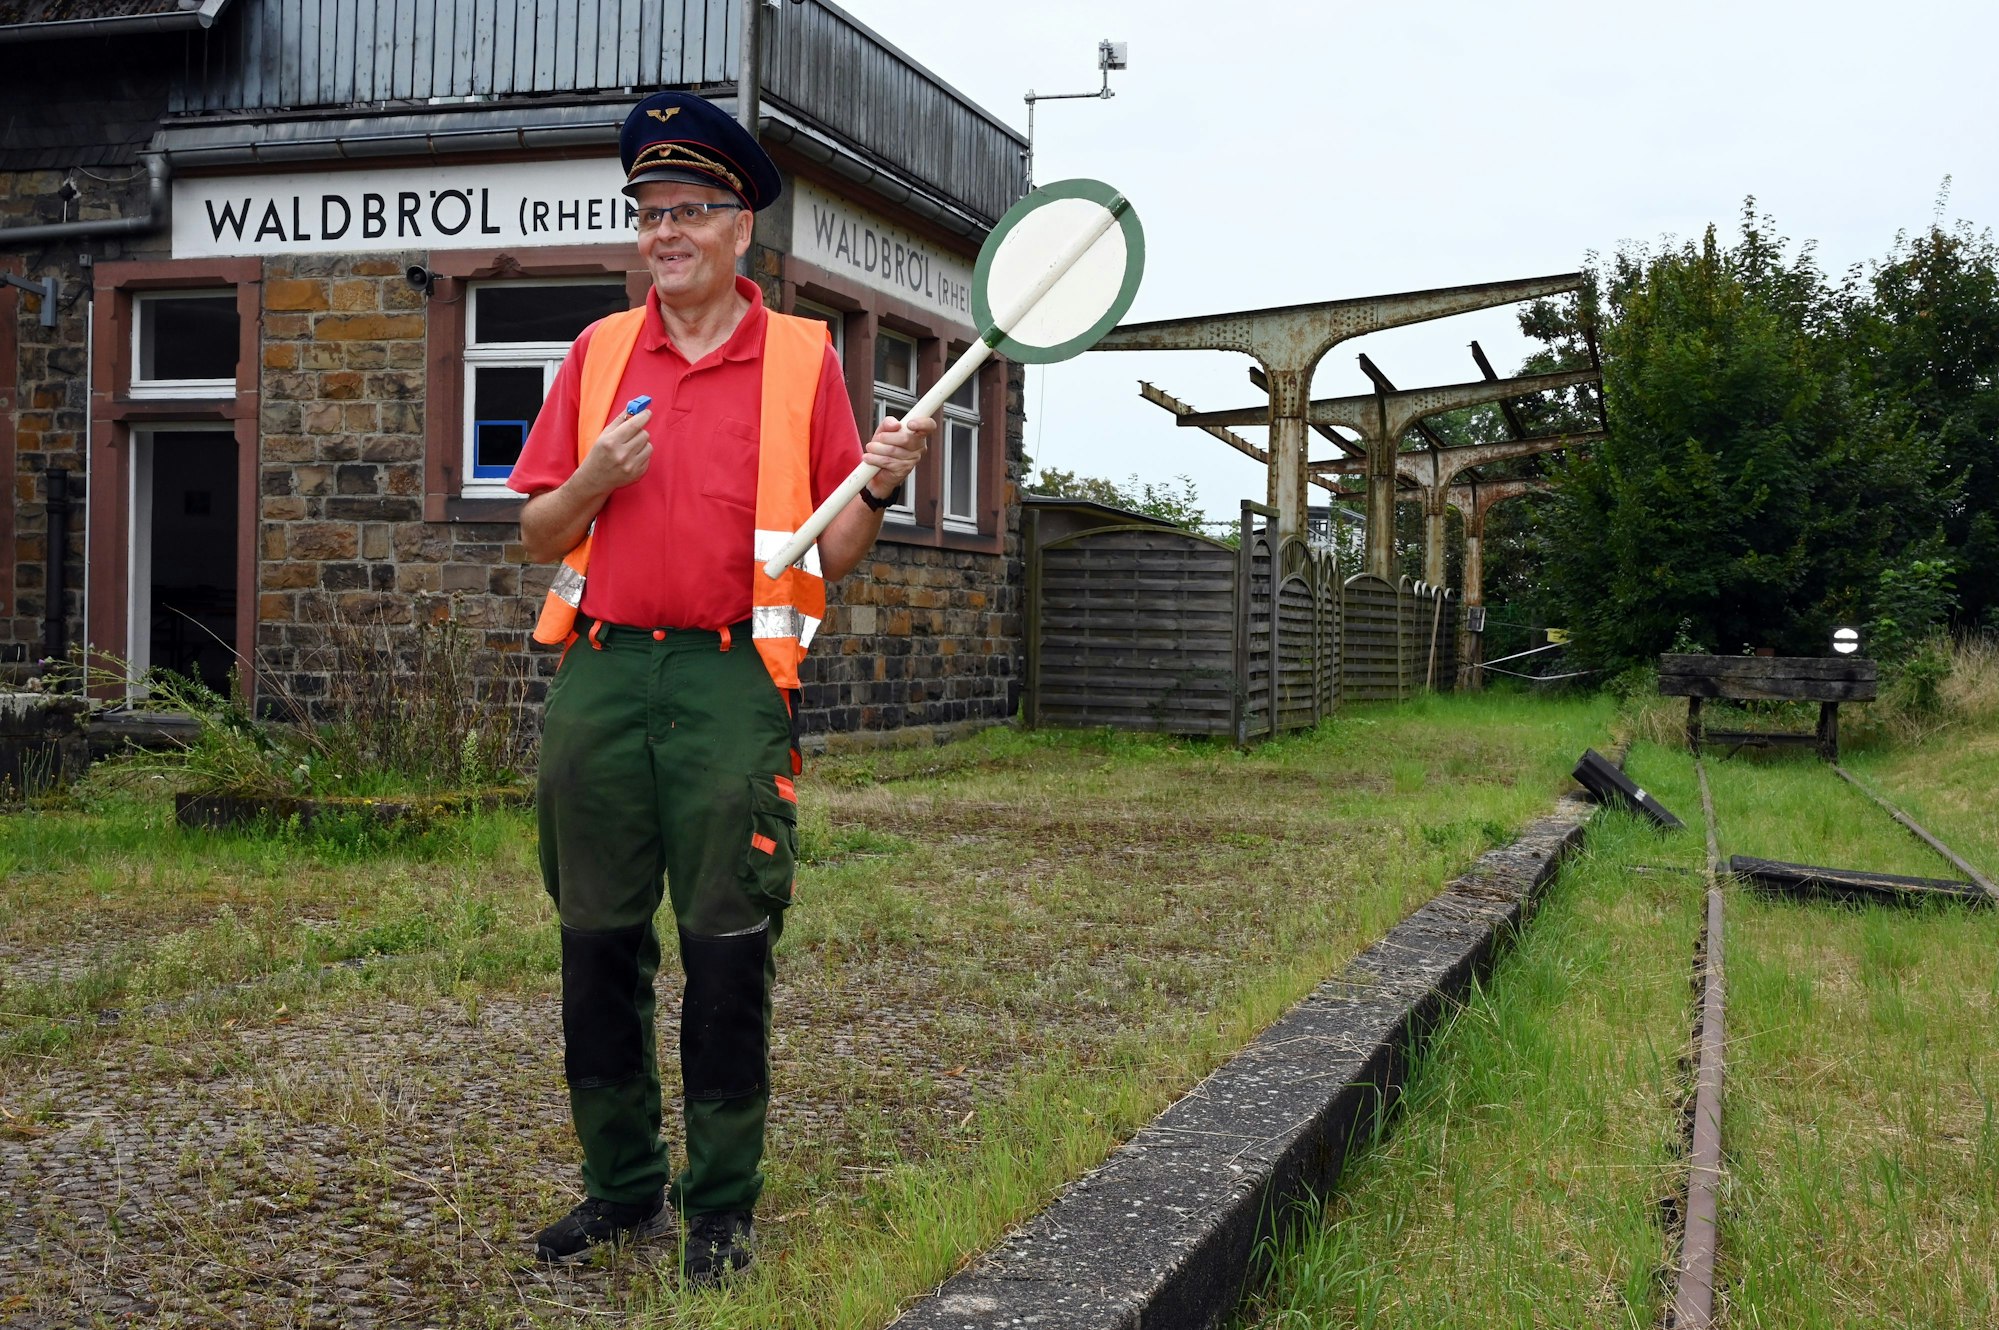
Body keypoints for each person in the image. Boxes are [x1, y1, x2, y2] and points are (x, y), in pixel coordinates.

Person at [506, 90, 931, 1282]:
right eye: (649, 210)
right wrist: (591, 476)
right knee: (594, 942)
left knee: (728, 941)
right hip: (598, 673)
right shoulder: (595, 357)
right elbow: (541, 532)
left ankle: (722, 1203)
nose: (665, 230)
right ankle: (622, 1185)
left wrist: (883, 486)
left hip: (734, 679)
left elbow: (835, 551)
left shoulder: (805, 361)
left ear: (742, 227)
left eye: (690, 209)